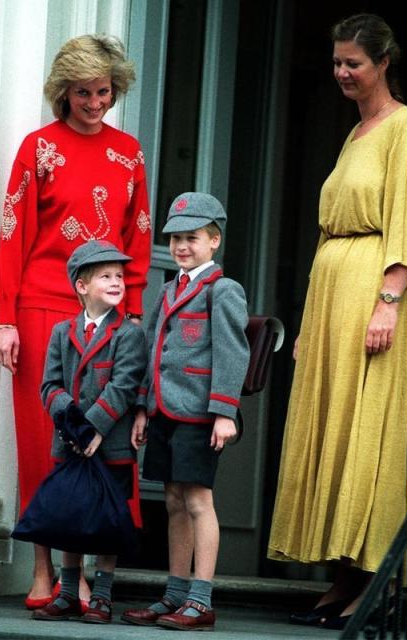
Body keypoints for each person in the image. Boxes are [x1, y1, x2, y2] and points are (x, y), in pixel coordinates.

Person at [0, 33, 151, 609]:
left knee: (101, 439)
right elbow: (13, 239)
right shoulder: (38, 148)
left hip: (107, 315)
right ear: (63, 92)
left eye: (103, 92)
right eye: (82, 93)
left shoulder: (129, 153)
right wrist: (6, 319)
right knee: (45, 441)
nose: (94, 103)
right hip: (41, 307)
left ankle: (85, 572)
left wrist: (128, 314)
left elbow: (138, 238)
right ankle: (47, 574)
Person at [267, 13, 407, 630]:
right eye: (336, 63)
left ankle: (370, 582)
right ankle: (339, 578)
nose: (342, 73)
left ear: (384, 63)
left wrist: (390, 297)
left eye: (353, 62)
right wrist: (307, 321)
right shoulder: (356, 133)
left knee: (366, 430)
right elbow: (330, 228)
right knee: (332, 428)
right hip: (333, 293)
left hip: (373, 288)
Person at [120, 193, 250, 632]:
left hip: (200, 413)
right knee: (173, 501)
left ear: (214, 241)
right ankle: (174, 594)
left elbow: (233, 353)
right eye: (175, 238)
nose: (181, 246)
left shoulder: (222, 290)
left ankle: (201, 598)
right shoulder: (171, 288)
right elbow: (152, 349)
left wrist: (225, 411)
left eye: (192, 238)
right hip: (164, 411)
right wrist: (142, 406)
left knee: (197, 500)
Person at [30, 240, 148, 624]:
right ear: (82, 286)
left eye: (120, 276)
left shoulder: (128, 334)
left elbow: (124, 384)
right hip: (70, 442)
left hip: (110, 443)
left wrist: (93, 428)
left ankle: (101, 595)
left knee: (108, 520)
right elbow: (50, 385)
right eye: (106, 276)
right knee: (71, 516)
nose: (117, 282)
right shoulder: (62, 332)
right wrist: (74, 428)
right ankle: (67, 592)